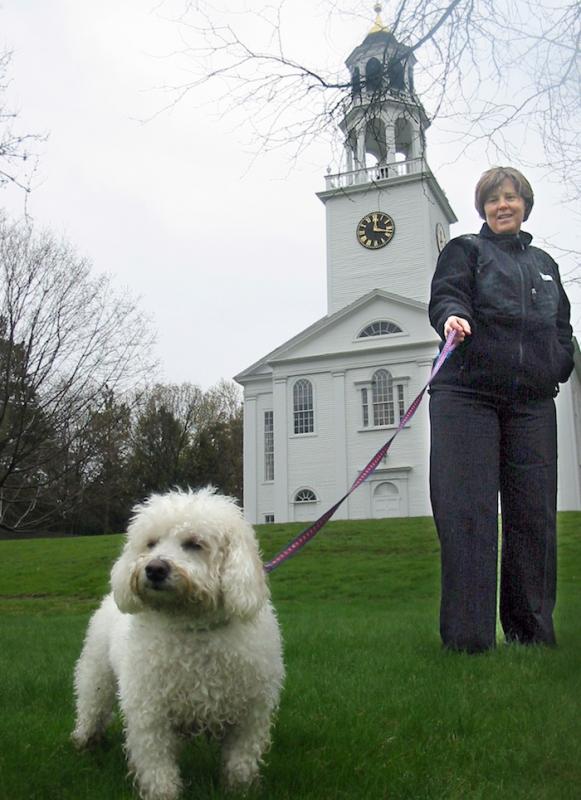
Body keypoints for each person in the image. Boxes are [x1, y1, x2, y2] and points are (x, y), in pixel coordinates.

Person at [428, 166, 574, 653]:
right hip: (467, 396)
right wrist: (453, 316)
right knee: (468, 514)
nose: (502, 205)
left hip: (531, 403)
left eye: (511, 197)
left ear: (525, 205)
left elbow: (562, 327)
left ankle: (531, 635)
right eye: (493, 200)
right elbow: (448, 294)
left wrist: (559, 363)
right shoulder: (466, 251)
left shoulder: (545, 265)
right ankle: (469, 642)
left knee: (533, 517)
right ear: (483, 209)